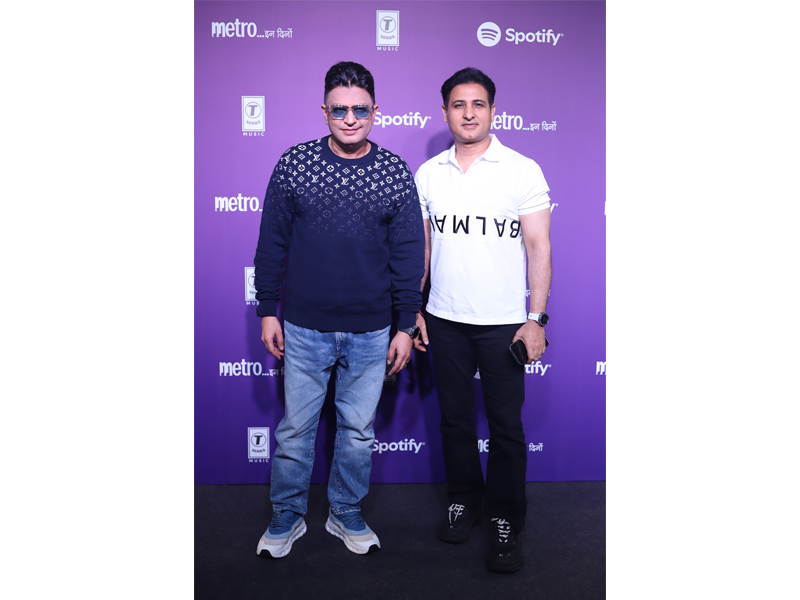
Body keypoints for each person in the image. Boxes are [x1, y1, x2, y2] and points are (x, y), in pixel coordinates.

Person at [253, 61, 424, 558]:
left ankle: (345, 510)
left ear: (376, 111)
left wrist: (405, 325)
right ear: (324, 111)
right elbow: (272, 242)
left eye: (360, 110)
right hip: (304, 327)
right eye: (340, 109)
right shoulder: (295, 164)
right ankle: (287, 513)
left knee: (357, 432)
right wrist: (267, 309)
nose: (350, 119)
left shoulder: (393, 171)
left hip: (372, 331)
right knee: (294, 431)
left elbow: (408, 254)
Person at [413, 67, 552, 574]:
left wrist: (535, 318)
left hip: (504, 324)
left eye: (478, 104)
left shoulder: (522, 170)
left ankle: (505, 518)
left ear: (493, 110)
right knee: (453, 420)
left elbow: (538, 247)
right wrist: (414, 310)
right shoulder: (429, 173)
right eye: (458, 104)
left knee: (506, 427)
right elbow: (424, 249)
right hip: (444, 318)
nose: (468, 113)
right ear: (445, 111)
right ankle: (464, 501)